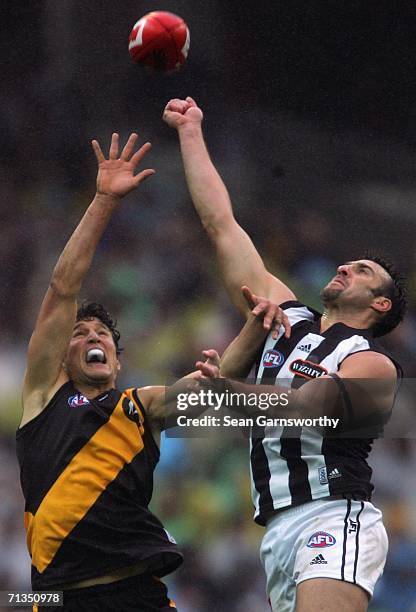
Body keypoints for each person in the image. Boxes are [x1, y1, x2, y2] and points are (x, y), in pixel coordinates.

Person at [163, 98, 408, 612]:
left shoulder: (372, 361)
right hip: (275, 530)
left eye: (363, 270)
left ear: (380, 303)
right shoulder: (285, 318)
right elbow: (222, 226)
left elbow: (307, 407)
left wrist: (225, 391)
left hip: (332, 514)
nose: (346, 267)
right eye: (348, 262)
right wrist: (190, 131)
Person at [17, 132, 208, 612]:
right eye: (79, 334)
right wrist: (103, 201)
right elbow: (63, 289)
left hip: (136, 593)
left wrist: (250, 333)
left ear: (118, 360)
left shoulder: (139, 405)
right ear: (60, 357)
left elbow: (211, 393)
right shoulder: (43, 396)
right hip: (54, 600)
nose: (92, 337)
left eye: (102, 333)